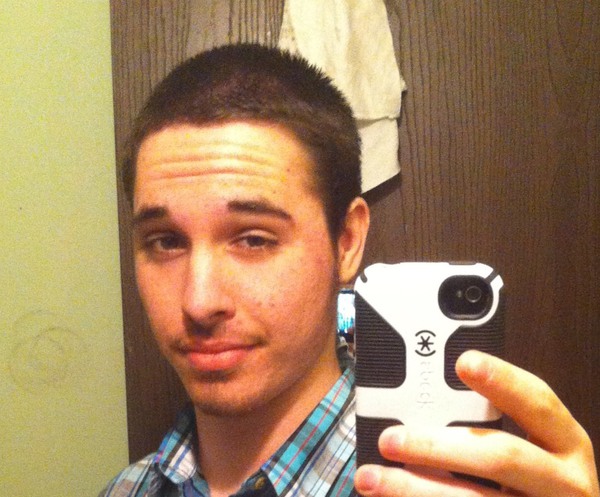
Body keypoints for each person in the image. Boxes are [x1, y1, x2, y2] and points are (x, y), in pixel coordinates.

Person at [100, 43, 599, 497]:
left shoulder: (452, 484)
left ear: (347, 242)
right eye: (165, 241)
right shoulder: (125, 490)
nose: (199, 301)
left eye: (253, 238)